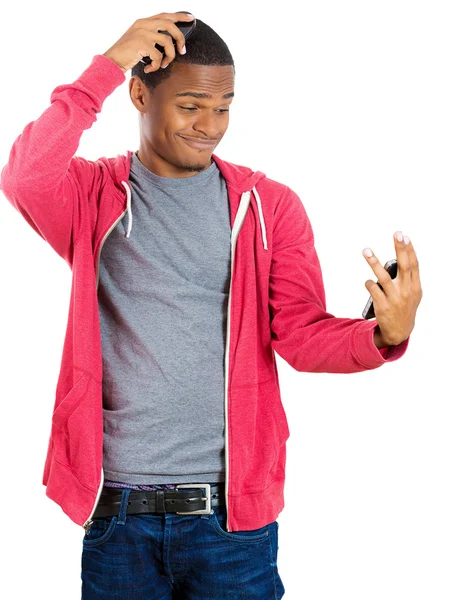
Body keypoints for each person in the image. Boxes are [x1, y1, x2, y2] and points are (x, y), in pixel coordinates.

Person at [0, 10, 422, 600]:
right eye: (191, 106)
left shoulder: (268, 207)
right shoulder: (92, 196)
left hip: (232, 525)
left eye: (223, 107)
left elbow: (299, 332)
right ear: (139, 93)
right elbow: (24, 177)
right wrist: (107, 64)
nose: (210, 125)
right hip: (117, 516)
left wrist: (380, 335)